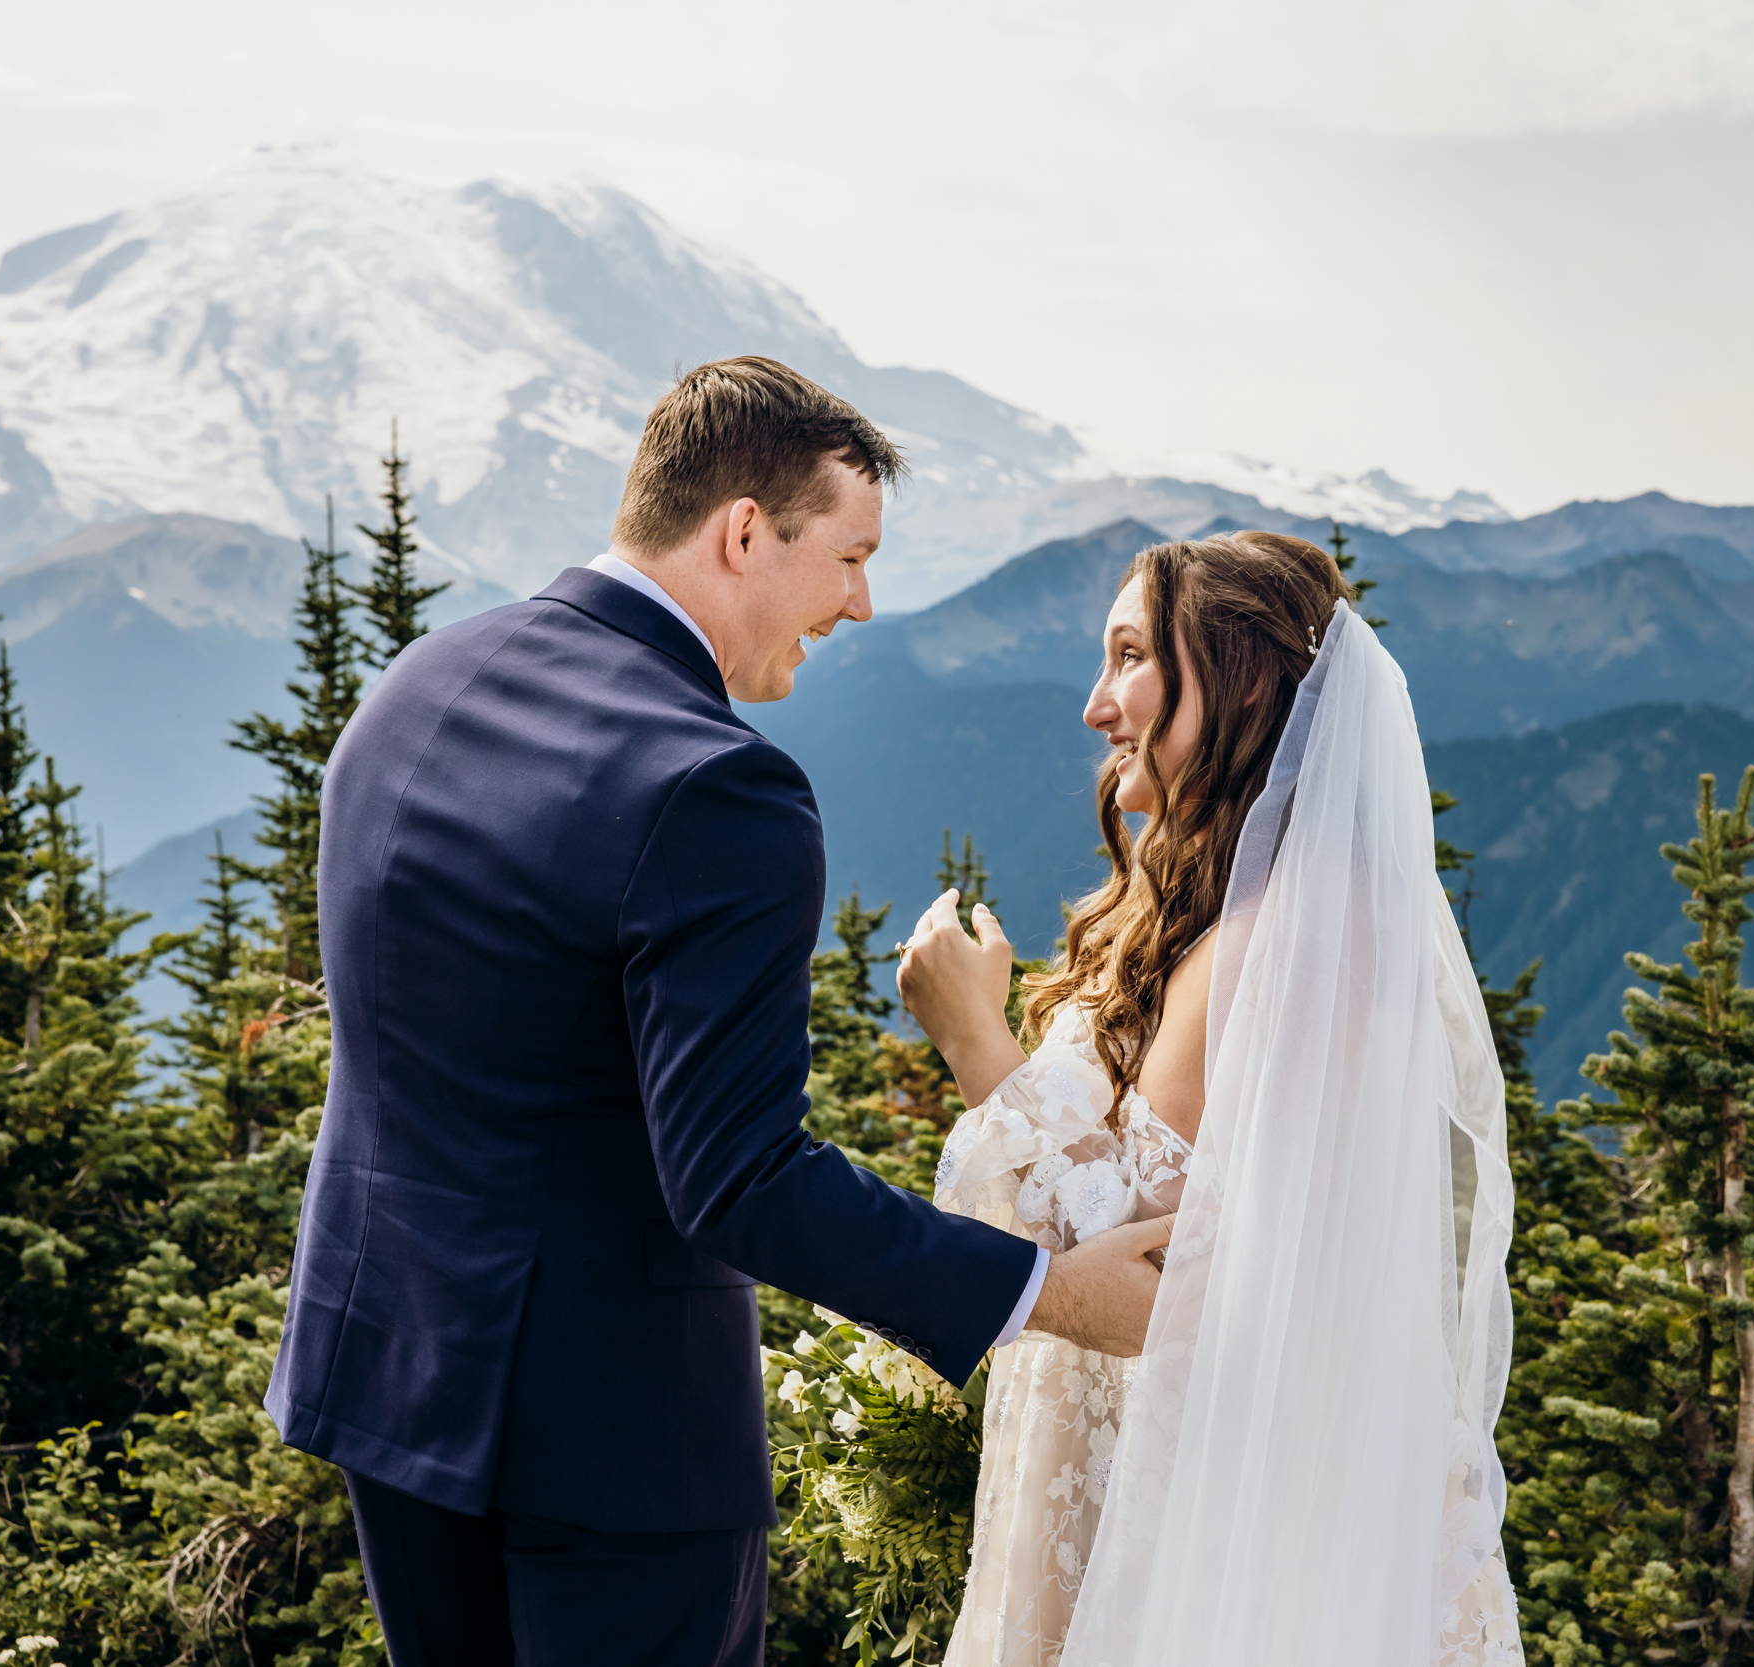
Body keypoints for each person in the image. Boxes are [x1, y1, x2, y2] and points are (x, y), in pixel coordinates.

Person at [263, 356, 1169, 1667]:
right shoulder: (717, 790)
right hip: (610, 1455)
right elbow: (737, 1178)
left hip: (386, 1385)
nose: (862, 603)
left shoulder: (417, 685)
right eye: (849, 556)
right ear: (743, 530)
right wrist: (1046, 1288)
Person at [900, 532, 1522, 1666]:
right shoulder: (1208, 917)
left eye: (1130, 657)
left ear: (1241, 680)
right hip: (1136, 1467)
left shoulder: (1290, 937)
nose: (1096, 706)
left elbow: (1143, 1263)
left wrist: (974, 1037)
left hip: (1201, 1511)